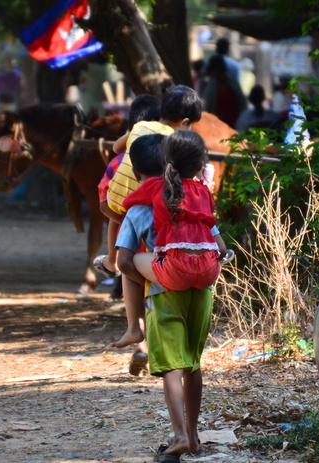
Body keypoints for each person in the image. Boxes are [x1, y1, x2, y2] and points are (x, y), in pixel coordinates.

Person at [115, 134, 219, 458]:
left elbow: (122, 261)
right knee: (193, 364)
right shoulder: (201, 195)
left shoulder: (141, 206)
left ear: (136, 171)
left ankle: (179, 438)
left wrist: (146, 278)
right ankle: (195, 436)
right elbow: (219, 242)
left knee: (171, 368)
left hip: (165, 289)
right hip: (203, 288)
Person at [104, 85, 203, 350]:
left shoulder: (139, 127)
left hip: (116, 203)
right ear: (184, 122)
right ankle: (147, 320)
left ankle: (132, 327)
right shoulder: (172, 140)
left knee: (125, 257)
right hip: (146, 206)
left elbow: (115, 148)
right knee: (147, 257)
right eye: (190, 126)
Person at [123, 130, 229, 293]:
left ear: (165, 162)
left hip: (175, 273)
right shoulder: (205, 192)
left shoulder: (157, 186)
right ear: (200, 166)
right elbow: (222, 250)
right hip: (209, 273)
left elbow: (128, 202)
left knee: (134, 258)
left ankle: (141, 307)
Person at [94, 94, 162, 281]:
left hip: (127, 237)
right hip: (162, 238)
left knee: (128, 272)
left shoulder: (117, 162)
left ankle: (111, 261)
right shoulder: (168, 164)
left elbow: (103, 204)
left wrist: (127, 221)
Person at [202, 54, 248, 128]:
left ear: (221, 70)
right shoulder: (210, 89)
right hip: (218, 127)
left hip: (236, 125)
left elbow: (242, 103)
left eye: (216, 71)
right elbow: (207, 109)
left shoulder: (233, 84)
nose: (215, 74)